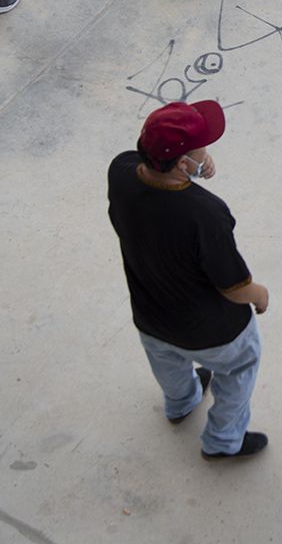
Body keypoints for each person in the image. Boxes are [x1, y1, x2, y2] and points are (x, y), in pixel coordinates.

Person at [107, 101, 270, 460]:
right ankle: (223, 442)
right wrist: (260, 295)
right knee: (241, 366)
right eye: (202, 151)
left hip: (151, 317)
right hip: (210, 332)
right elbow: (234, 286)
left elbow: (156, 179)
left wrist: (193, 164)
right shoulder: (205, 213)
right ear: (183, 164)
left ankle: (181, 404)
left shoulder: (120, 170)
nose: (206, 154)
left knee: (167, 361)